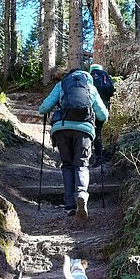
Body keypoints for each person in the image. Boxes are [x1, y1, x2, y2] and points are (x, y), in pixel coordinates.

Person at [38, 69, 108, 219]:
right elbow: (103, 115)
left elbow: (43, 108)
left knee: (68, 165)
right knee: (82, 165)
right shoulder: (91, 87)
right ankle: (82, 193)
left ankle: (69, 205)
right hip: (84, 129)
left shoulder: (61, 85)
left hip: (61, 129)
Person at [89, 63, 115, 167]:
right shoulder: (105, 76)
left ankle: (88, 155)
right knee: (98, 131)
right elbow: (112, 91)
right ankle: (99, 157)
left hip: (89, 108)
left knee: (89, 131)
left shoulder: (88, 76)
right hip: (103, 108)